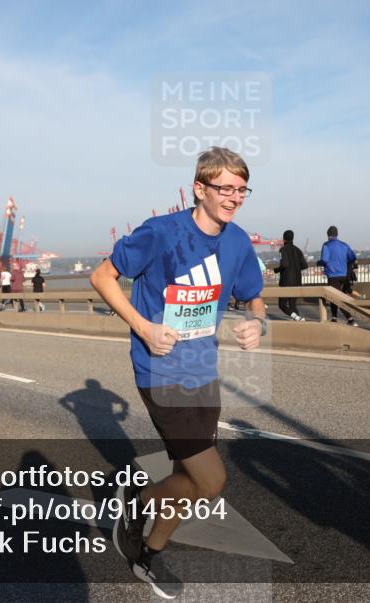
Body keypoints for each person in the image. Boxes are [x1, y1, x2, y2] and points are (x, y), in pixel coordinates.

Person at [90, 146, 265, 599]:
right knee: (211, 480)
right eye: (225, 188)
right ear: (199, 188)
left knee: (186, 479)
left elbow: (253, 296)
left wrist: (256, 321)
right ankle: (143, 524)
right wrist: (144, 327)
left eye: (241, 189)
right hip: (160, 372)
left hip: (204, 371)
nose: (234, 197)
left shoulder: (238, 242)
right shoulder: (161, 233)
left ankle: (143, 532)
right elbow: (102, 278)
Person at [319, 225, 358, 325]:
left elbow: (324, 259)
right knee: (334, 297)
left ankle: (350, 319)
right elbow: (352, 257)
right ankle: (334, 318)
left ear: (328, 235)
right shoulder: (344, 245)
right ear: (337, 234)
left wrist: (319, 263)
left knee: (337, 298)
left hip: (333, 275)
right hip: (344, 275)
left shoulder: (326, 245)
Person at [274, 229, 308, 321]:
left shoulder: (282, 250)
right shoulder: (298, 250)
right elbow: (305, 265)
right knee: (292, 305)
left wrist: (277, 270)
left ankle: (297, 318)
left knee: (282, 304)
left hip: (286, 282)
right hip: (297, 281)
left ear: (284, 239)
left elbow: (284, 264)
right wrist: (296, 268)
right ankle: (298, 320)